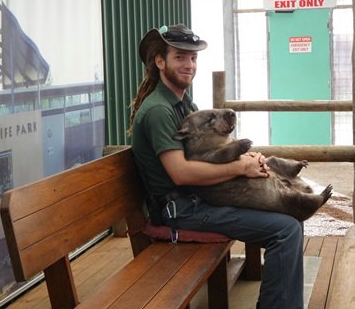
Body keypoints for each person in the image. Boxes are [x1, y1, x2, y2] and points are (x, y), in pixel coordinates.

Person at [129, 23, 304, 309]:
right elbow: (181, 173)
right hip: (182, 211)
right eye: (179, 57)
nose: (189, 65)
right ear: (160, 62)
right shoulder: (159, 110)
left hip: (202, 199)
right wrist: (240, 169)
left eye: (193, 58)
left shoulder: (185, 106)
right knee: (285, 230)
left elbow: (212, 151)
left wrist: (248, 159)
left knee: (291, 217)